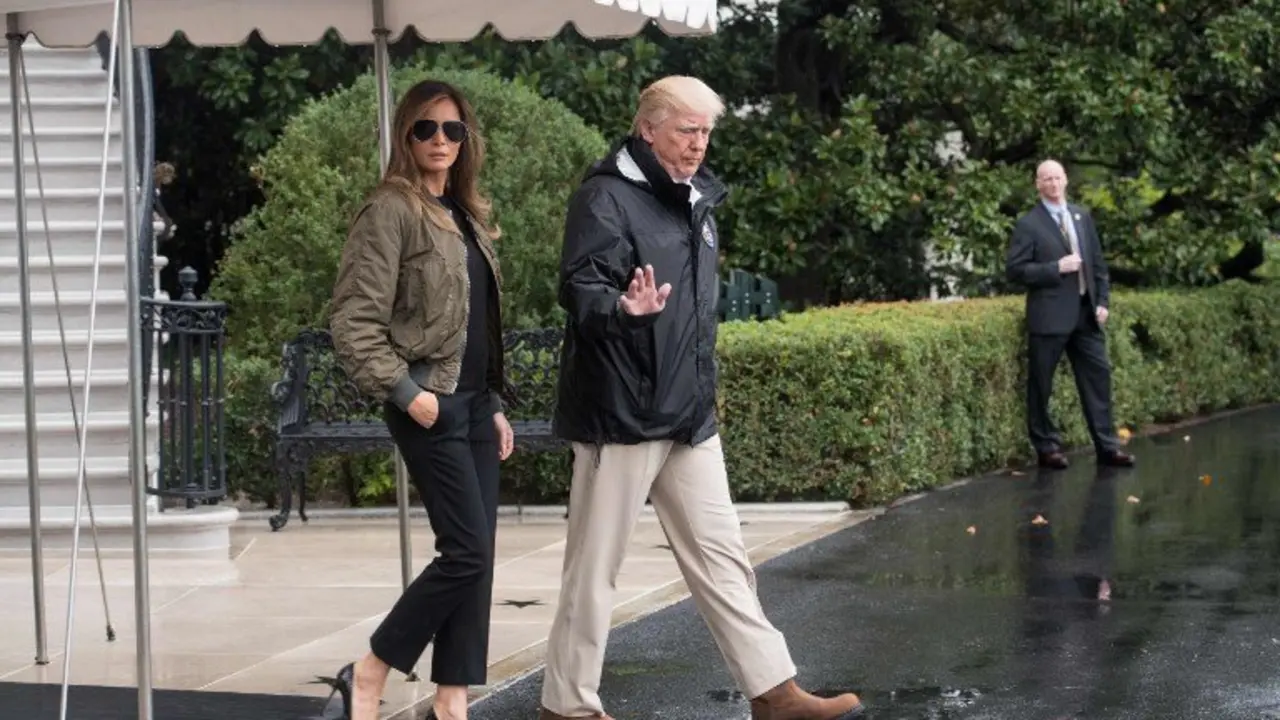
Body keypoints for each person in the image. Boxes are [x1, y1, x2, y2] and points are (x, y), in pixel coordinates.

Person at [537, 75, 865, 720]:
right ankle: (566, 707)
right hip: (620, 415)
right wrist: (624, 310)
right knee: (593, 572)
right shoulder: (604, 198)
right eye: (686, 130)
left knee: (725, 562)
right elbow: (581, 290)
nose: (698, 145)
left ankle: (774, 693)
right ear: (648, 126)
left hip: (688, 415)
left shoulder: (694, 199)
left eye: (706, 131)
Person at [323, 79, 515, 720]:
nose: (440, 140)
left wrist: (490, 403)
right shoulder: (391, 210)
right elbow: (353, 321)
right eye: (426, 129)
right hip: (428, 405)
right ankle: (372, 667)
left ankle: (451, 701)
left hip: (473, 408)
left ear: (467, 141)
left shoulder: (467, 214)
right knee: (465, 551)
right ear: (406, 135)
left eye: (452, 130)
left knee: (477, 557)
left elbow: (477, 324)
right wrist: (408, 394)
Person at [1005, 159, 1135, 470]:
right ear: (1038, 185)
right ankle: (1047, 448)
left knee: (1098, 379)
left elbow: (1098, 265)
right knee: (1041, 385)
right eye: (1046, 179)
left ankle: (1107, 446)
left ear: (1066, 180)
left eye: (1057, 177)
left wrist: (1102, 301)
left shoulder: (1081, 216)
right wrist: (1054, 269)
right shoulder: (1028, 224)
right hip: (1049, 317)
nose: (1053, 183)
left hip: (1085, 315)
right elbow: (1015, 270)